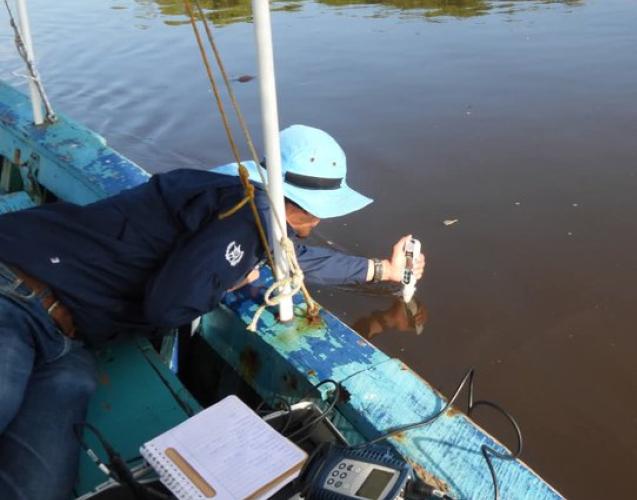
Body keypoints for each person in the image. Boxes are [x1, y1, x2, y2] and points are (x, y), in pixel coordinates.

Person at [0, 124, 425, 499]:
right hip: (16, 293)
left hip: (68, 341)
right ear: (295, 202)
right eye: (318, 210)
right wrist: (227, 281)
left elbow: (293, 257)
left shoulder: (240, 198)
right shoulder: (242, 218)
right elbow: (167, 306)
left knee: (39, 488)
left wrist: (382, 270)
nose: (318, 222)